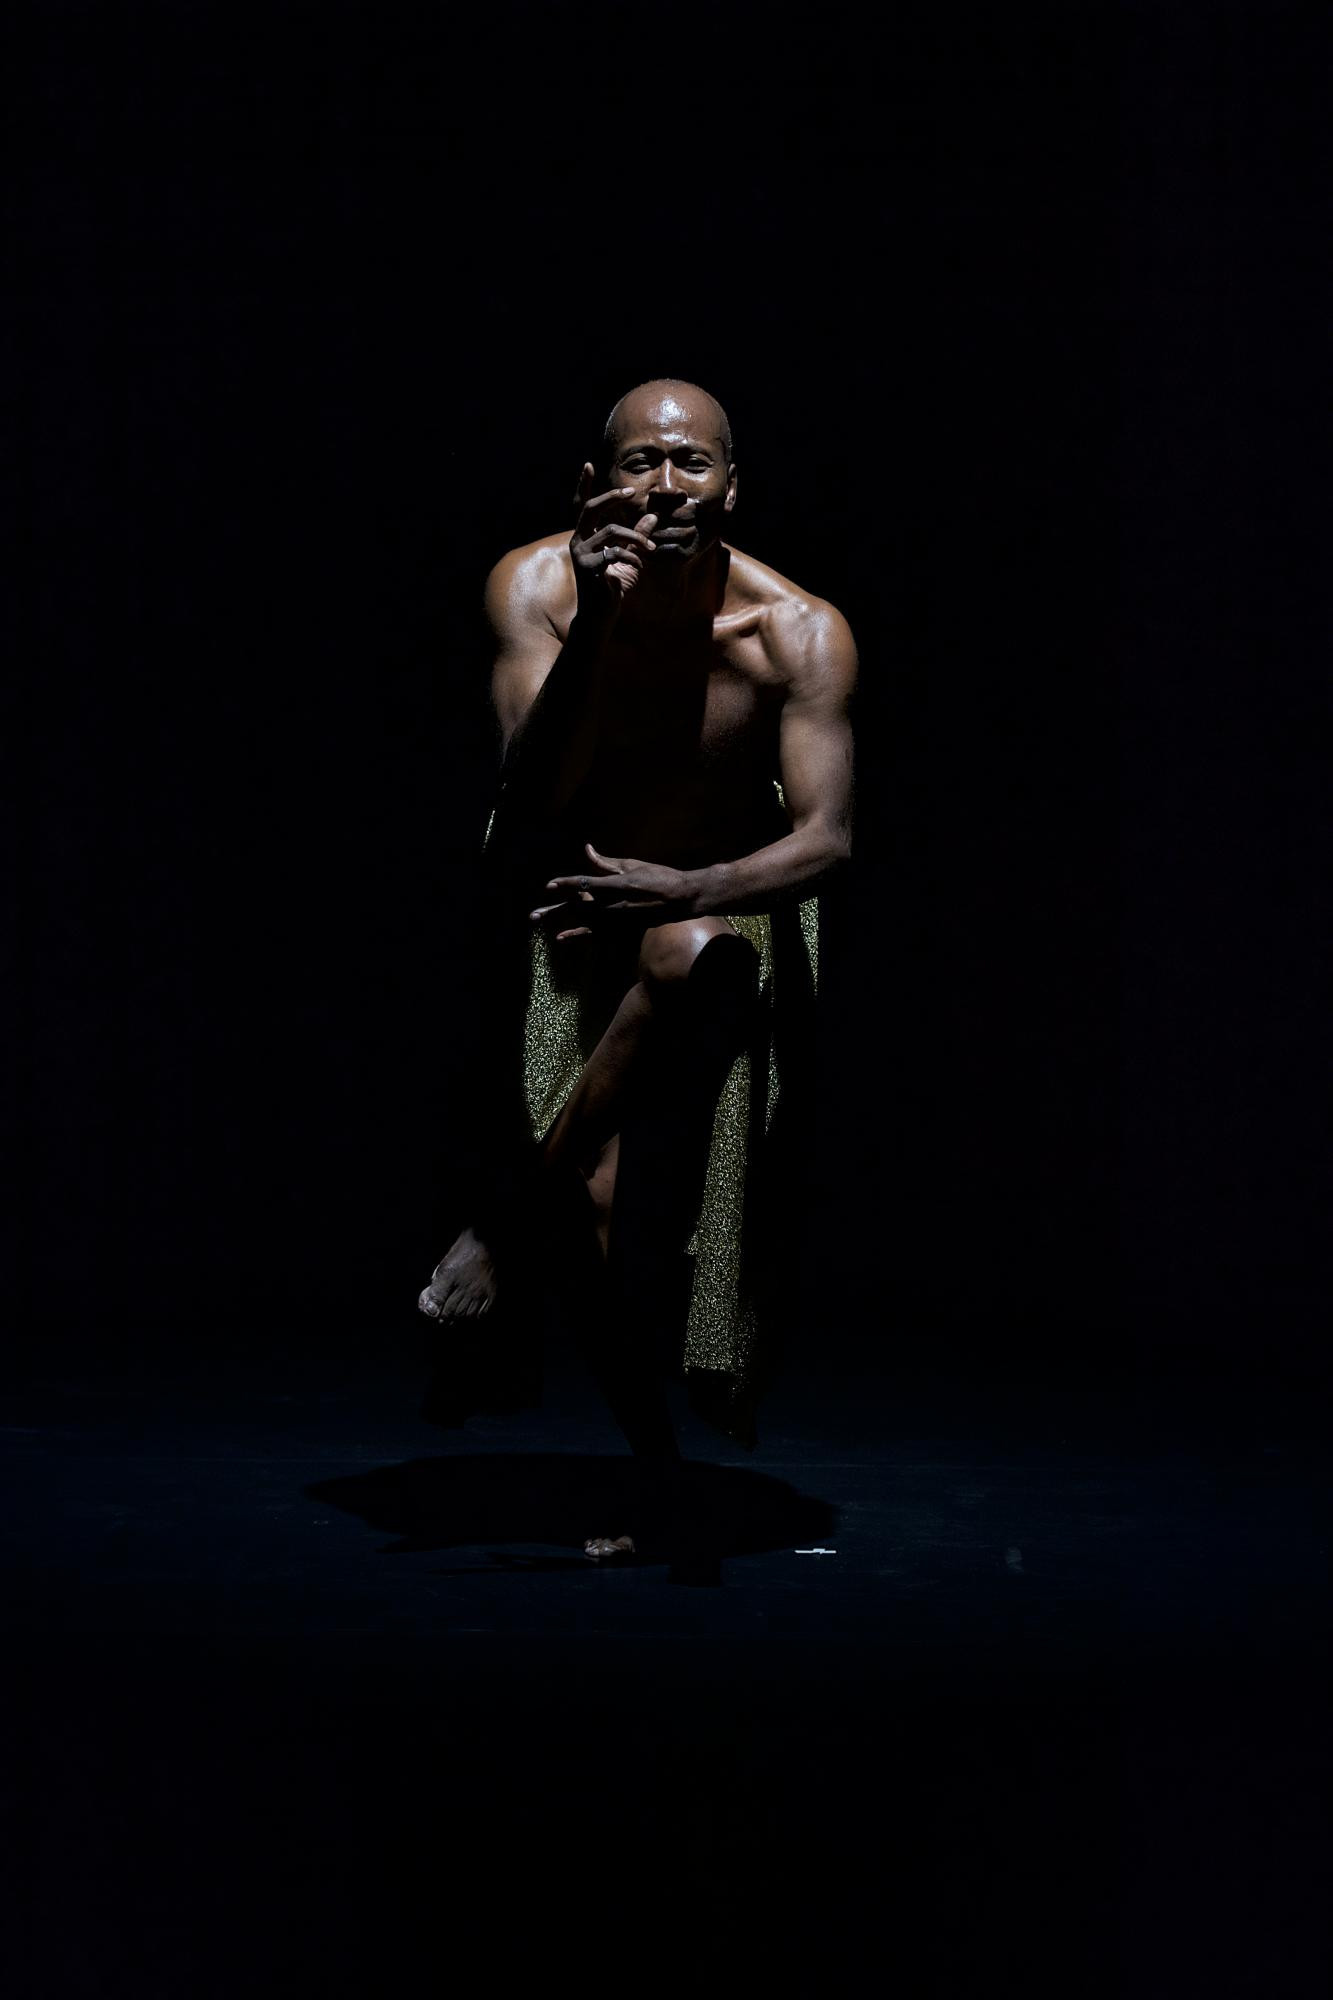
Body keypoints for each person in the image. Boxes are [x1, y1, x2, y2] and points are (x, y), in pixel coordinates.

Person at [417, 379, 856, 1563]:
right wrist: (601, 622)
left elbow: (827, 839)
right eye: (638, 463)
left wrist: (688, 887)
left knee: (689, 952)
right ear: (592, 484)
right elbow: (529, 793)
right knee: (598, 1210)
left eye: (692, 463)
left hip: (717, 909)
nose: (665, 487)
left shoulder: (795, 630)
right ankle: (653, 1469)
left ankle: (499, 1229)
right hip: (564, 900)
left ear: (731, 486)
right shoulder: (533, 586)